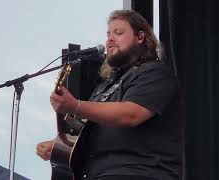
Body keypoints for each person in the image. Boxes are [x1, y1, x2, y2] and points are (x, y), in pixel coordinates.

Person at [36, 9, 183, 180]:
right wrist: (58, 146)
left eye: (118, 32)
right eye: (108, 34)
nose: (110, 39)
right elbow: (85, 132)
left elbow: (131, 114)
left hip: (139, 172)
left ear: (140, 37)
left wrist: (76, 105)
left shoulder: (153, 73)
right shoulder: (104, 87)